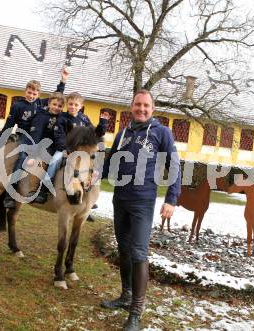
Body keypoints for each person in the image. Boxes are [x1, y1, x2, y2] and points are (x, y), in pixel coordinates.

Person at [100, 90, 181, 331]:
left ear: (152, 109)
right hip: (120, 199)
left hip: (143, 202)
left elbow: (173, 165)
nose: (141, 109)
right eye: (138, 105)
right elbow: (111, 162)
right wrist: (95, 174)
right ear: (131, 107)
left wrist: (171, 199)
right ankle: (125, 296)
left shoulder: (161, 132)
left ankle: (135, 312)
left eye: (146, 105)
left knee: (138, 253)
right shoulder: (123, 133)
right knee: (123, 250)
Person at [0, 67, 69, 208]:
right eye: (29, 93)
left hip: (38, 136)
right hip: (25, 135)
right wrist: (0, 140)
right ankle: (9, 193)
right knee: (23, 157)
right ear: (25, 91)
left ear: (38, 94)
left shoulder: (40, 103)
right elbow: (9, 125)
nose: (31, 95)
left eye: (34, 93)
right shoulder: (18, 105)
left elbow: (57, 96)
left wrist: (63, 80)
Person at [32, 92, 110, 205]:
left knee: (91, 166)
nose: (73, 107)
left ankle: (88, 195)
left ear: (81, 106)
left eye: (76, 105)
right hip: (65, 150)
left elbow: (95, 134)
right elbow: (59, 136)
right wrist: (67, 150)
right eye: (70, 104)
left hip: (82, 151)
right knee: (54, 161)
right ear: (67, 104)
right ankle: (44, 190)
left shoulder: (84, 119)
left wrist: (103, 123)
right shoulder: (62, 118)